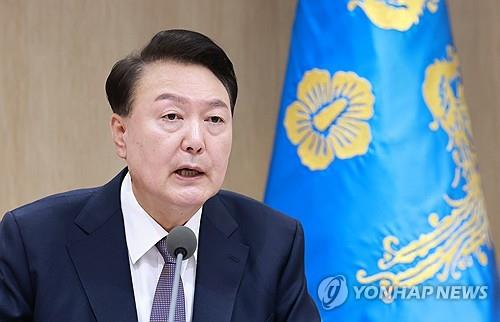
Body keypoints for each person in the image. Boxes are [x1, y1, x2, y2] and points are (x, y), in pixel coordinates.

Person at [0, 29, 320, 322]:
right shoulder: (34, 241)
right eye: (171, 116)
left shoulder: (273, 243)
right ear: (121, 134)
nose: (195, 141)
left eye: (214, 119)